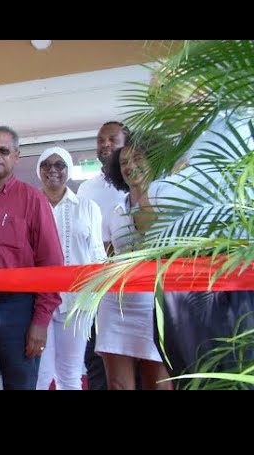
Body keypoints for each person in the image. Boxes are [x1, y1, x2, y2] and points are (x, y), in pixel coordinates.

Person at [146, 115, 254, 388]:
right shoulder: (190, 140)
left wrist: (166, 181)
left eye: (165, 87)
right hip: (191, 281)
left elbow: (170, 195)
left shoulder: (231, 123)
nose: (159, 101)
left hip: (226, 280)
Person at [0, 126, 64, 390]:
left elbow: (51, 265)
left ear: (16, 156)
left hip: (19, 312)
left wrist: (40, 322)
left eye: (3, 150)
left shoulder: (33, 200)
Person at [95, 142, 171, 389]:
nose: (130, 166)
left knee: (158, 384)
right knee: (118, 385)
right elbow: (110, 257)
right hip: (116, 305)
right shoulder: (114, 212)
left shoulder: (169, 202)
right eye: (123, 163)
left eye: (137, 158)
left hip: (156, 305)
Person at [35, 147, 106, 390]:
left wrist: (96, 299)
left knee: (70, 374)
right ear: (39, 170)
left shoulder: (87, 207)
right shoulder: (30, 206)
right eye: (46, 164)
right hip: (38, 303)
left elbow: (98, 254)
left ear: (68, 170)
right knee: (40, 376)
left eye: (59, 164)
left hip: (77, 303)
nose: (52, 170)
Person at [77, 121, 129, 390]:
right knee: (97, 362)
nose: (105, 144)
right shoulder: (86, 189)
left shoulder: (139, 180)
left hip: (136, 290)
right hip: (96, 290)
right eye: (100, 140)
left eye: (112, 139)